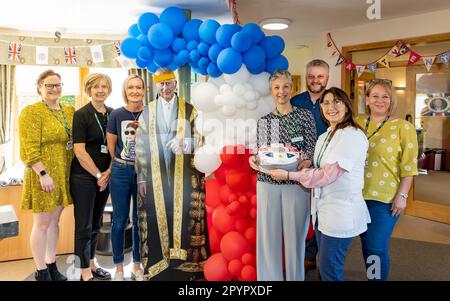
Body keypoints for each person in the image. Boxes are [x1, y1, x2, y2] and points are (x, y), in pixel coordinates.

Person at [269, 87, 371, 281]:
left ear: (347, 106)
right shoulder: (325, 135)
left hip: (341, 214)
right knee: (325, 266)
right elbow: (319, 165)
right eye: (325, 103)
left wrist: (289, 175)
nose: (330, 107)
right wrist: (305, 162)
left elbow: (327, 176)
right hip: (322, 212)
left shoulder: (352, 135)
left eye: (336, 102)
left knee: (329, 268)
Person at [134, 68, 209, 281]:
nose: (165, 88)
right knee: (157, 216)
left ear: (175, 84)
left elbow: (201, 140)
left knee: (185, 216)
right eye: (161, 84)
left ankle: (184, 264)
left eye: (169, 83)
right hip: (156, 176)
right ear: (155, 86)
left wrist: (186, 143)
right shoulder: (147, 111)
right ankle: (161, 262)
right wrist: (141, 177)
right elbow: (139, 145)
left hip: (184, 176)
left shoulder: (190, 110)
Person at [248, 69, 316, 281]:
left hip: (296, 186)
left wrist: (306, 161)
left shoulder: (304, 116)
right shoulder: (265, 121)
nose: (281, 91)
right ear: (271, 90)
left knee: (295, 240)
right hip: (267, 184)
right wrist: (253, 159)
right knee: (268, 239)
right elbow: (263, 152)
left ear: (292, 88)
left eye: (286, 86)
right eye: (277, 87)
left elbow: (312, 149)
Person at [357, 79, 419, 281]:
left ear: (391, 100)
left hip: (385, 199)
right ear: (367, 99)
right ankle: (372, 277)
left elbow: (408, 166)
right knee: (366, 243)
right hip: (355, 196)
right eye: (375, 96)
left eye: (385, 96)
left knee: (376, 246)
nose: (380, 100)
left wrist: (402, 195)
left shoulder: (403, 127)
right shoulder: (355, 122)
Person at [19, 69, 74, 281]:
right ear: (40, 88)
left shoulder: (68, 111)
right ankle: (41, 270)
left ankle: (51, 265)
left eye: (57, 84)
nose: (54, 88)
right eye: (49, 85)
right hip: (43, 175)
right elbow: (29, 148)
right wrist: (43, 173)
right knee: (41, 224)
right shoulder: (31, 112)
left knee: (54, 222)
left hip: (63, 173)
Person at [70, 73, 113, 281]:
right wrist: (97, 174)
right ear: (89, 89)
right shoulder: (81, 114)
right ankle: (83, 270)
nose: (100, 90)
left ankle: (93, 262)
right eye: (96, 87)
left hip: (105, 177)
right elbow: (79, 150)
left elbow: (118, 148)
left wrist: (108, 173)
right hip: (84, 177)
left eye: (104, 86)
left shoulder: (112, 114)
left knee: (96, 223)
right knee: (83, 226)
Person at [290, 59, 330, 271]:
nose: (315, 80)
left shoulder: (333, 101)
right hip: (299, 166)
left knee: (321, 212)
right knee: (301, 211)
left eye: (320, 76)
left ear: (327, 78)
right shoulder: (295, 101)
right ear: (306, 78)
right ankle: (302, 253)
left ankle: (316, 254)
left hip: (326, 167)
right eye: (311, 76)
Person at [106, 74, 145, 281]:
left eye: (139, 87)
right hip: (121, 171)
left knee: (140, 221)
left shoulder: (150, 113)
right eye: (131, 87)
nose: (135, 91)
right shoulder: (116, 115)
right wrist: (117, 165)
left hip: (143, 173)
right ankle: (119, 267)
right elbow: (111, 145)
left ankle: (137, 266)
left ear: (144, 90)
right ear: (125, 91)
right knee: (119, 221)